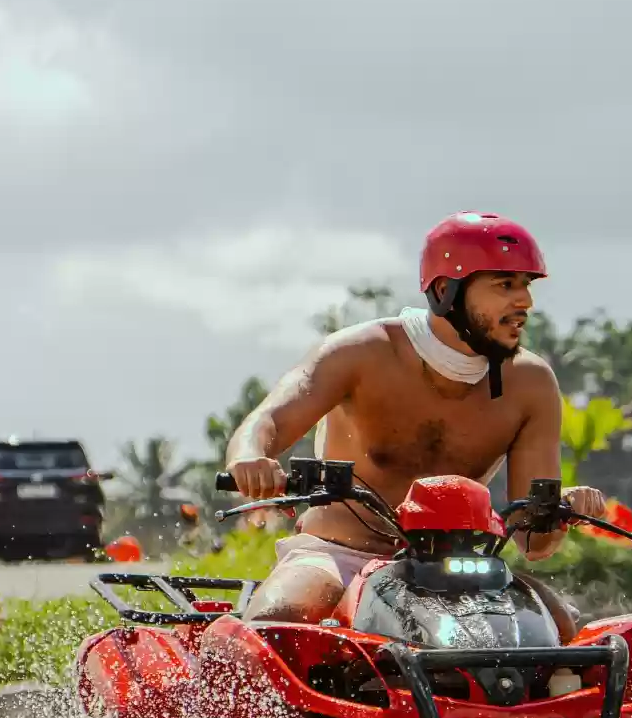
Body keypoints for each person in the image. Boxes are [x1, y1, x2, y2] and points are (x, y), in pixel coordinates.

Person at [223, 211, 604, 640]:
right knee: (280, 620)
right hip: (338, 559)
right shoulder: (361, 352)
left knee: (565, 631)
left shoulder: (531, 384)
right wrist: (250, 457)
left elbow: (535, 545)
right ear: (446, 291)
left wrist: (560, 509)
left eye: (525, 286)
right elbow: (268, 418)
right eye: (504, 285)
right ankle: (218, 707)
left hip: (462, 573)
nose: (525, 303)